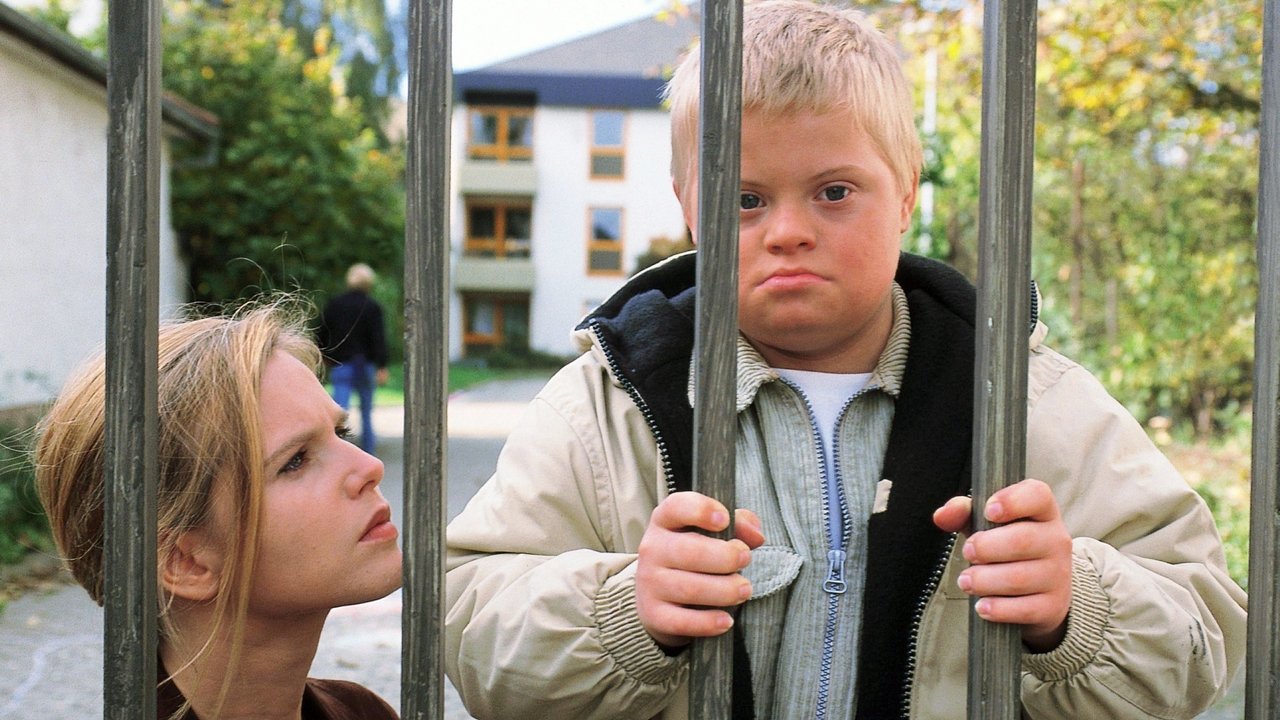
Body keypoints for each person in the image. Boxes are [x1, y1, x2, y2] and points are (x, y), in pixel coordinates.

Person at [443, 2, 1246, 719]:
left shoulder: (1028, 399)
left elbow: (1204, 626)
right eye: (745, 198)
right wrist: (621, 613)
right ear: (690, 211)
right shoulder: (606, 402)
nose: (788, 230)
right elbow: (472, 626)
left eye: (834, 191)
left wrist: (1078, 608)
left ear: (904, 195)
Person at [35, 302, 402, 720]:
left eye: (340, 432)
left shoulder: (360, 711)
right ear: (185, 560)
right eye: (296, 460)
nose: (370, 467)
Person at [319, 263, 391, 454]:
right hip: (365, 365)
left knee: (339, 414)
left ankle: (336, 453)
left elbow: (323, 332)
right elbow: (378, 338)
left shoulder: (335, 304)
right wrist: (382, 366)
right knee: (366, 413)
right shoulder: (372, 307)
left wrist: (324, 356)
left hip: (341, 365)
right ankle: (368, 452)